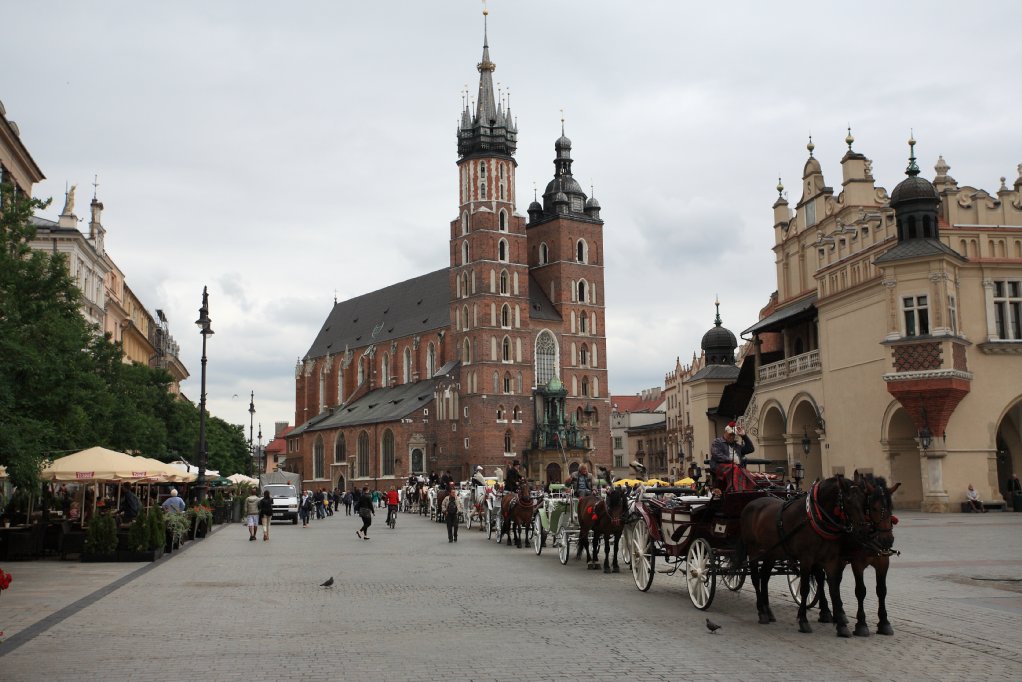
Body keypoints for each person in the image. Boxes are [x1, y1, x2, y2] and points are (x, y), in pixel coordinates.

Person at [709, 421, 756, 491]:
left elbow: (750, 449)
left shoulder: (737, 446)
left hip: (736, 467)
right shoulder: (717, 442)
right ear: (725, 432)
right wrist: (731, 461)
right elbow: (716, 455)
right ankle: (736, 490)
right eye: (730, 434)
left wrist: (744, 436)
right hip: (720, 467)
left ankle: (749, 489)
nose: (732, 437)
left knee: (747, 473)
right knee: (735, 468)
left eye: (733, 435)